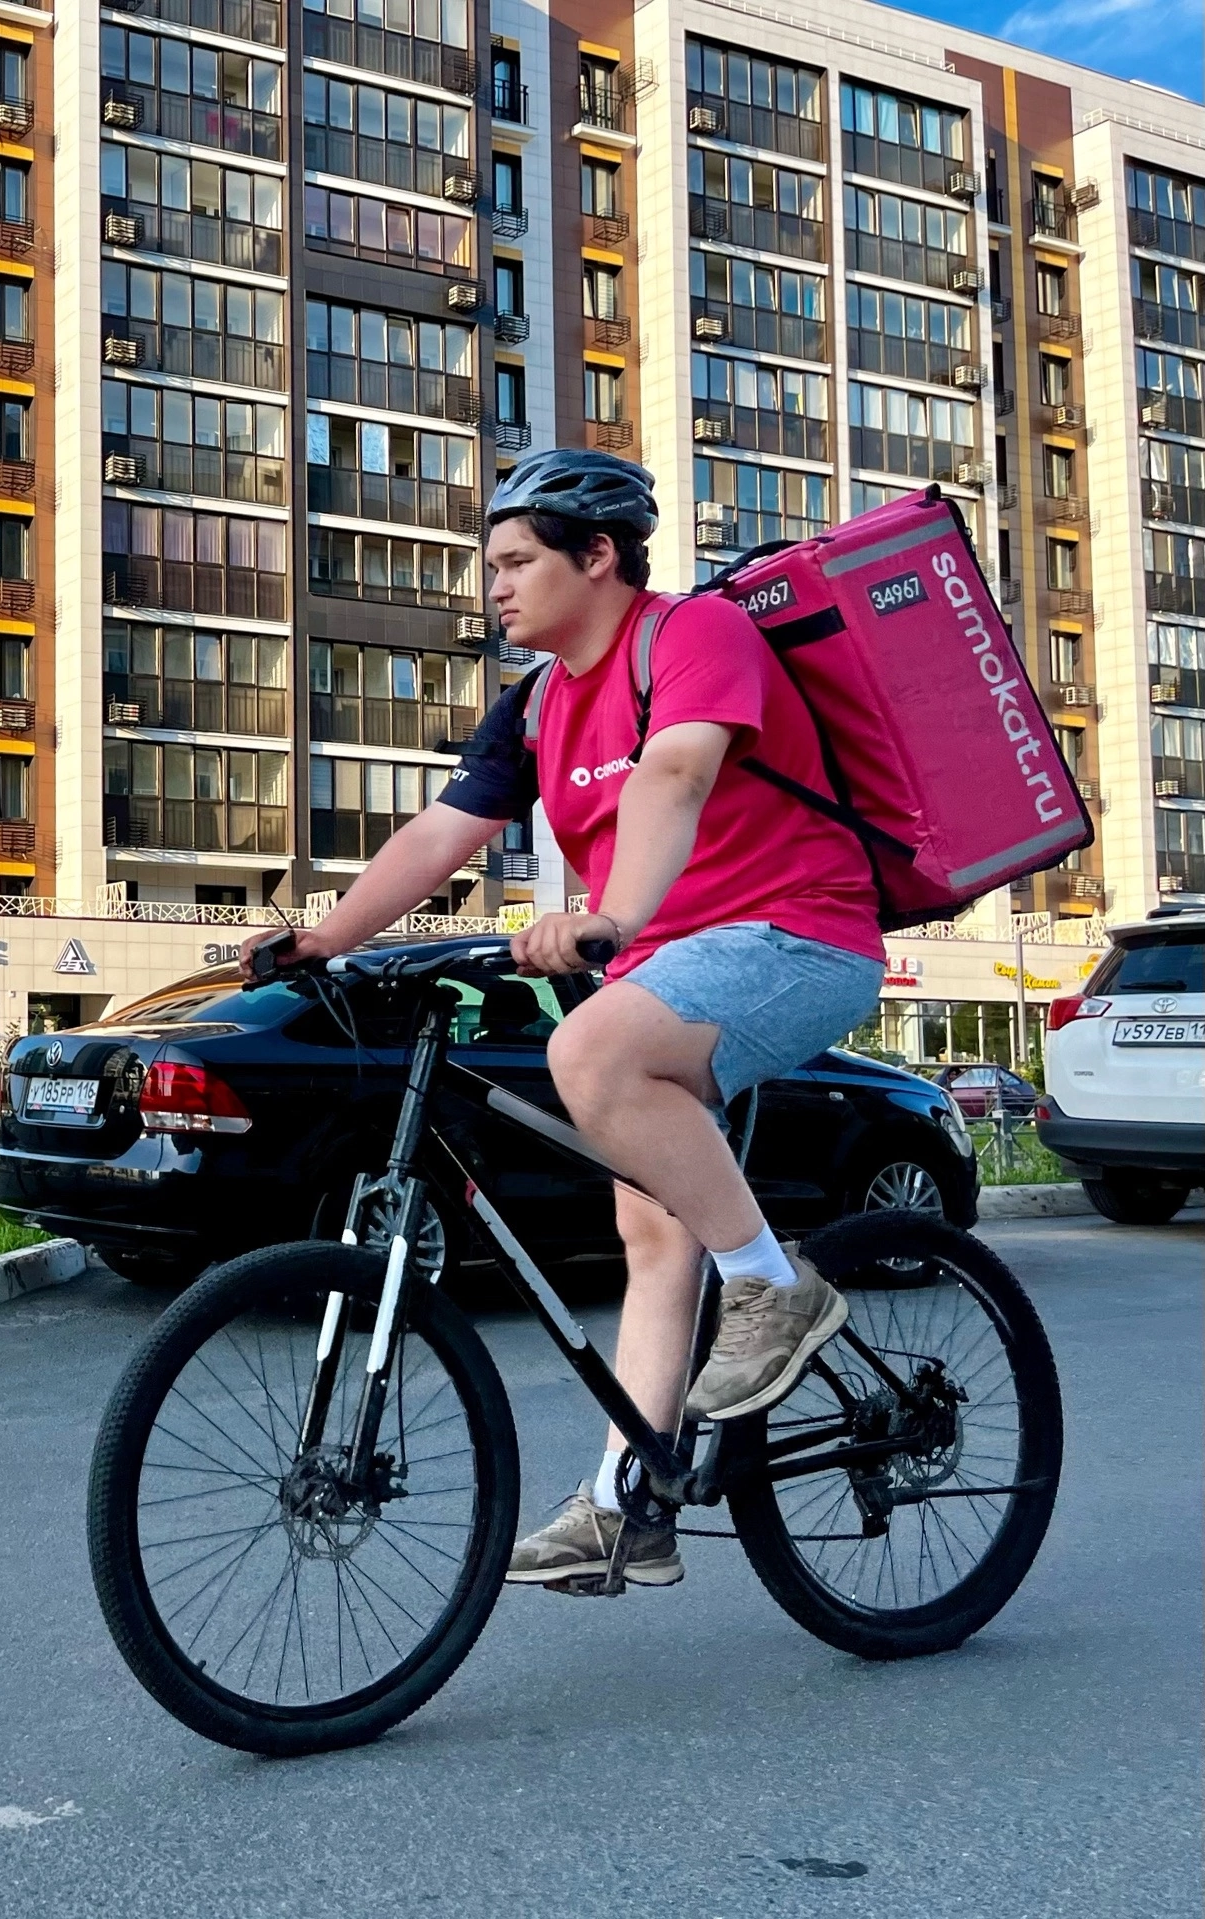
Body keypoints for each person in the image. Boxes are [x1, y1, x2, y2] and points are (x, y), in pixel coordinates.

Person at [240, 448, 886, 1594]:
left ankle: (777, 1287)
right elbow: (442, 834)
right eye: (490, 564)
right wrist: (327, 938)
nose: (493, 585)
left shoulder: (689, 636)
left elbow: (674, 774)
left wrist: (612, 913)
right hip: (672, 968)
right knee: (650, 1233)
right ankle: (624, 1506)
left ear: (598, 556)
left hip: (796, 938)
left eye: (516, 560)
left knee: (587, 1046)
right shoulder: (536, 701)